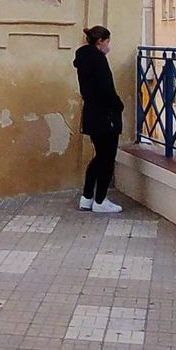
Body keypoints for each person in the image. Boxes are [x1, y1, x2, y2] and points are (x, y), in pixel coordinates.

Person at [75, 25, 124, 214]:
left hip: (92, 113)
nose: (109, 46)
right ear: (100, 41)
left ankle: (87, 198)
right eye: (108, 41)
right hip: (106, 115)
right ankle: (101, 200)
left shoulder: (84, 59)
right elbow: (106, 88)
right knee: (107, 158)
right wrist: (118, 105)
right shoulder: (98, 60)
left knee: (99, 156)